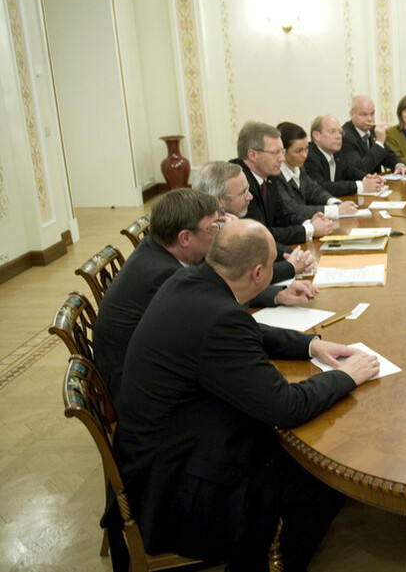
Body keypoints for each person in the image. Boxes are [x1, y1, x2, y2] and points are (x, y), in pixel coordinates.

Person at [115, 220, 380, 571]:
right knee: (322, 481)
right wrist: (346, 376)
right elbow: (286, 405)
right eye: (274, 264)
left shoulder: (193, 281)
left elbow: (249, 328)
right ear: (258, 273)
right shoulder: (219, 319)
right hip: (174, 486)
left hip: (161, 443)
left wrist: (311, 344)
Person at [93, 189, 319, 402]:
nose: (219, 233)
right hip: (143, 393)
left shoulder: (158, 250)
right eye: (214, 227)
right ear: (184, 238)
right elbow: (228, 320)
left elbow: (222, 288)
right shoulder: (166, 276)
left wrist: (277, 296)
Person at [195, 160, 316, 277]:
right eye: (243, 192)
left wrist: (296, 256)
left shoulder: (230, 218)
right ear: (220, 200)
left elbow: (262, 244)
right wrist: (290, 267)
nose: (250, 196)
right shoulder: (206, 233)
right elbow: (246, 276)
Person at [230, 121, 334, 244]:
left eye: (282, 152)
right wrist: (310, 229)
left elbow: (284, 214)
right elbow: (260, 235)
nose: (282, 158)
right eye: (275, 153)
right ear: (253, 155)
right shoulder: (239, 183)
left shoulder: (269, 176)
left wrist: (310, 222)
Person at [275, 121, 357, 219]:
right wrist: (335, 210)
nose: (304, 155)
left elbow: (314, 190)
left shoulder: (299, 167)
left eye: (306, 149)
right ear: (283, 152)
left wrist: (335, 203)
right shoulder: (275, 175)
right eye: (299, 151)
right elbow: (292, 210)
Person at [305, 114, 385, 196]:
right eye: (332, 132)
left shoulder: (336, 153)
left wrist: (367, 178)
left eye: (340, 132)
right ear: (317, 136)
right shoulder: (308, 156)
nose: (338, 136)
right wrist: (361, 186)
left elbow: (349, 171)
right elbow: (321, 187)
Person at [339, 94, 406, 177]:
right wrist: (379, 143)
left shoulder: (373, 130)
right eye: (364, 114)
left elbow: (388, 155)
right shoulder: (344, 135)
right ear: (352, 114)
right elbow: (359, 169)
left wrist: (399, 165)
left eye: (372, 114)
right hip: (357, 187)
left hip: (379, 185)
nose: (370, 119)